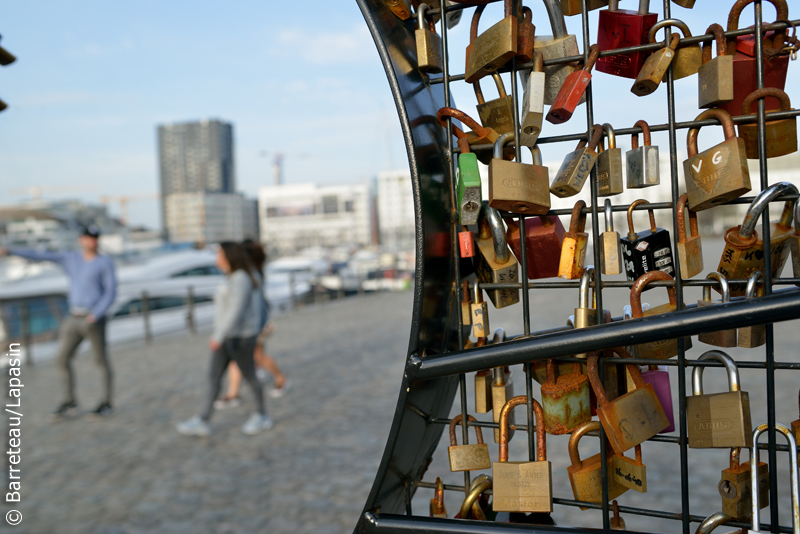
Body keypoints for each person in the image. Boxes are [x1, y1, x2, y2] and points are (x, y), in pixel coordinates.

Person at [0, 225, 117, 421]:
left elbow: (111, 292)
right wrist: (10, 251)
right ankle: (70, 402)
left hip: (93, 320)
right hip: (73, 317)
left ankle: (106, 403)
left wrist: (95, 315)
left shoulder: (105, 262)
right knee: (62, 359)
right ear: (81, 239)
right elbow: (39, 256)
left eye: (95, 238)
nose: (92, 241)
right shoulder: (71, 259)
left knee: (100, 361)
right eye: (88, 237)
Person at [176, 242, 273, 436]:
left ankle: (262, 415)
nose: (216, 259)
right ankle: (203, 419)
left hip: (239, 338)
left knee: (250, 376)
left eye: (219, 255)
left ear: (229, 257)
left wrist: (218, 336)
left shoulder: (241, 279)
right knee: (214, 378)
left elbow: (235, 311)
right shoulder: (234, 277)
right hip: (228, 337)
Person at [214, 240, 290, 410]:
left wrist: (256, 329)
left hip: (256, 327)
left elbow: (256, 306)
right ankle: (233, 394)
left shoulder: (250, 275)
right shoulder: (251, 273)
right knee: (240, 360)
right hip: (252, 327)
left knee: (258, 357)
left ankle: (280, 379)